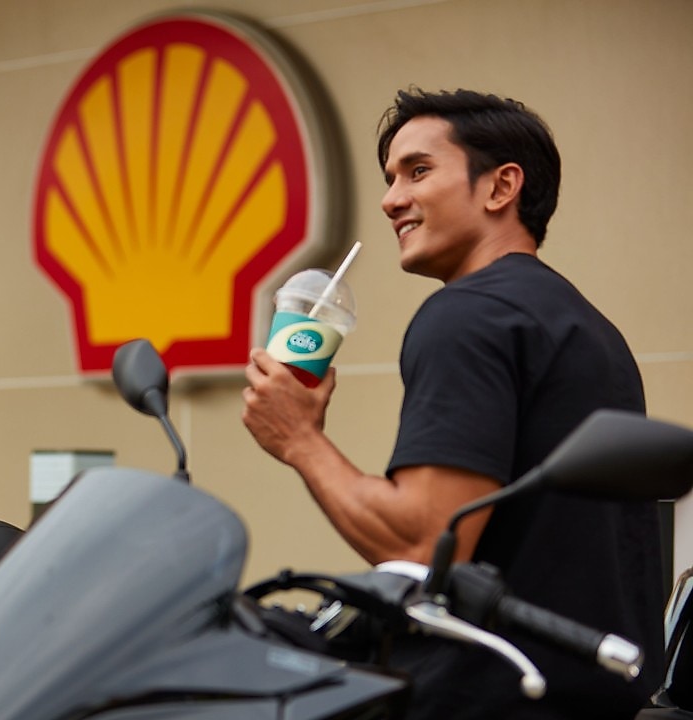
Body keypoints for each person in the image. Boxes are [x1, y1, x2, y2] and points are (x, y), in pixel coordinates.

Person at [241, 88, 661, 719]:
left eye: (418, 170)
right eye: (389, 178)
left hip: (488, 694)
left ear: (500, 188)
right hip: (582, 693)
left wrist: (300, 438)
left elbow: (422, 543)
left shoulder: (468, 314)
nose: (390, 200)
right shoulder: (587, 328)